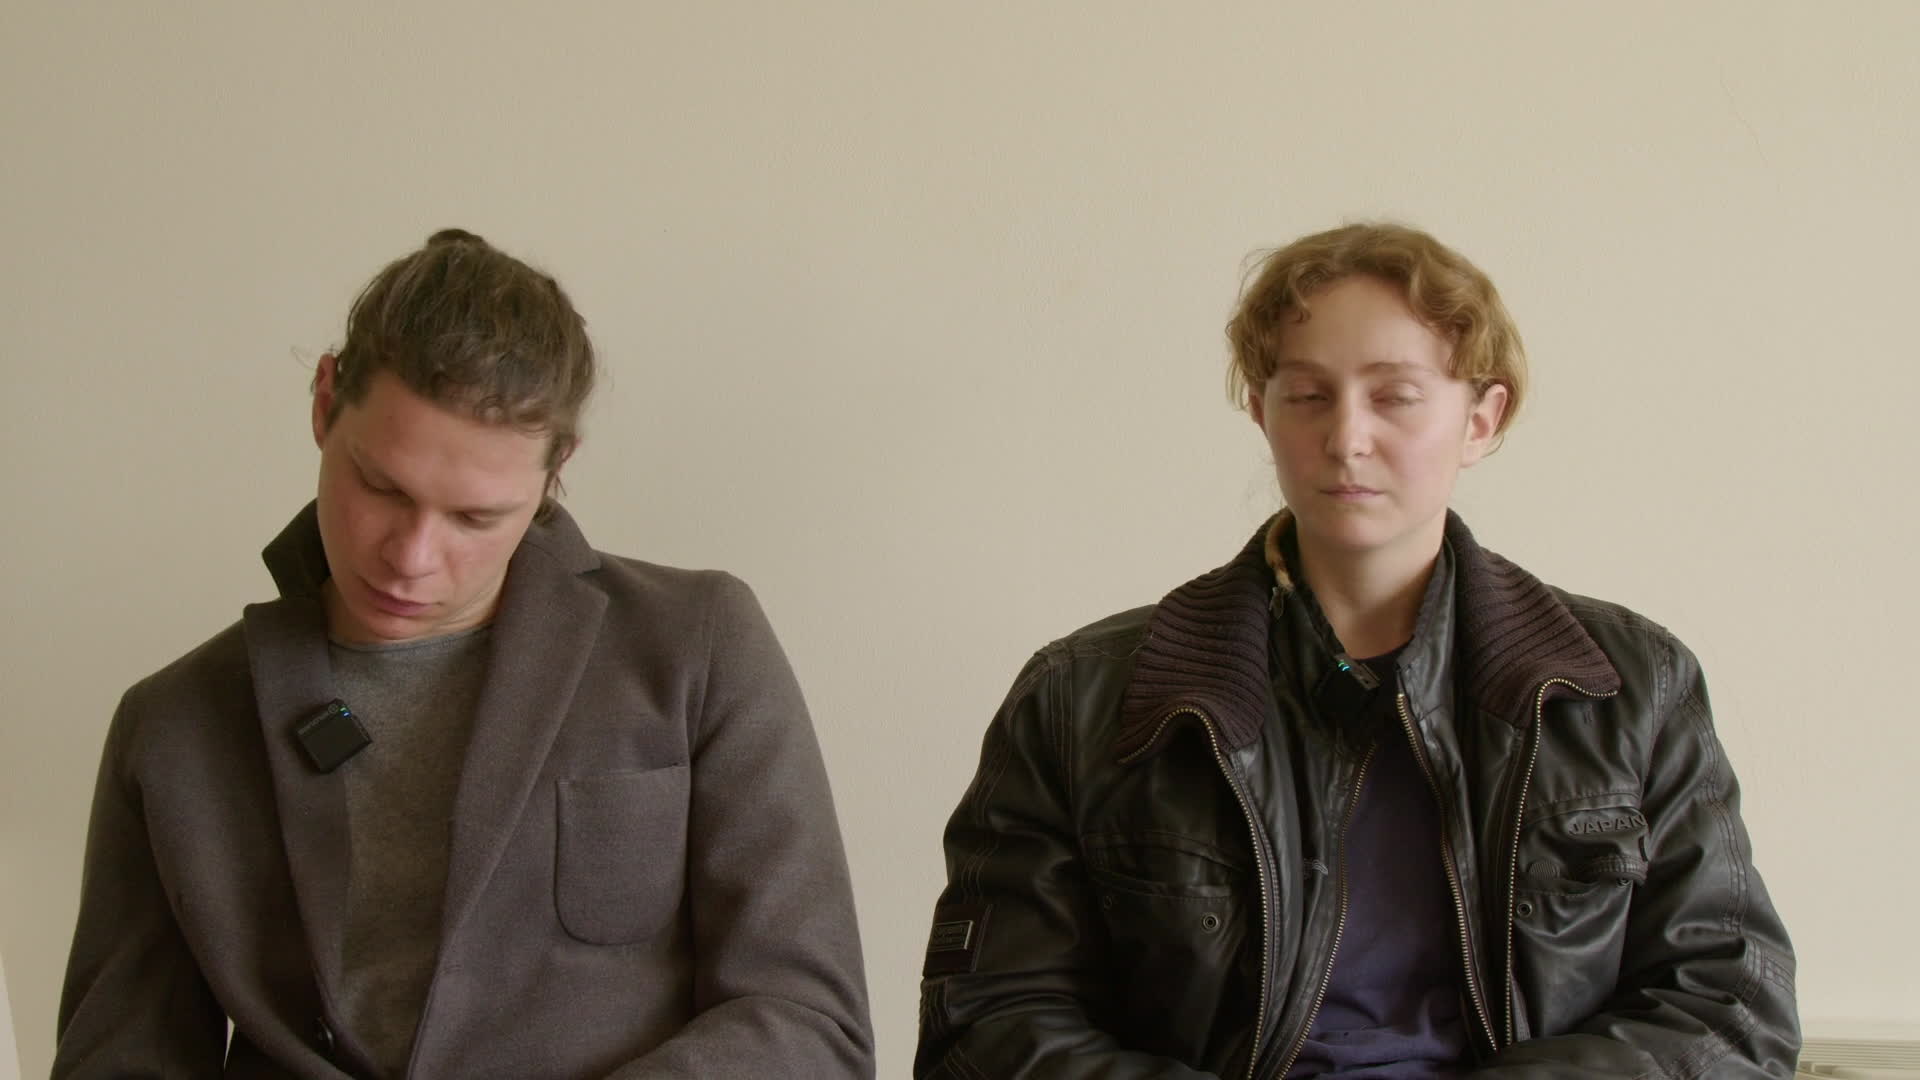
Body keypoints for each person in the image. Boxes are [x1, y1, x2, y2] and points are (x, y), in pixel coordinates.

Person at [914, 223, 1798, 1078]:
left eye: (1395, 396)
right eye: (1307, 395)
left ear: (1482, 418)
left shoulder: (1627, 686)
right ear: (1260, 411)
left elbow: (1726, 1010)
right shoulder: (1084, 696)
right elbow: (989, 1026)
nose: (1346, 438)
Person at [56, 229, 874, 1077]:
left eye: (476, 518)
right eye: (381, 487)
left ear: (556, 469)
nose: (411, 557)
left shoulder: (697, 644)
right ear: (325, 401)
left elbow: (809, 1025)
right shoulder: (172, 726)